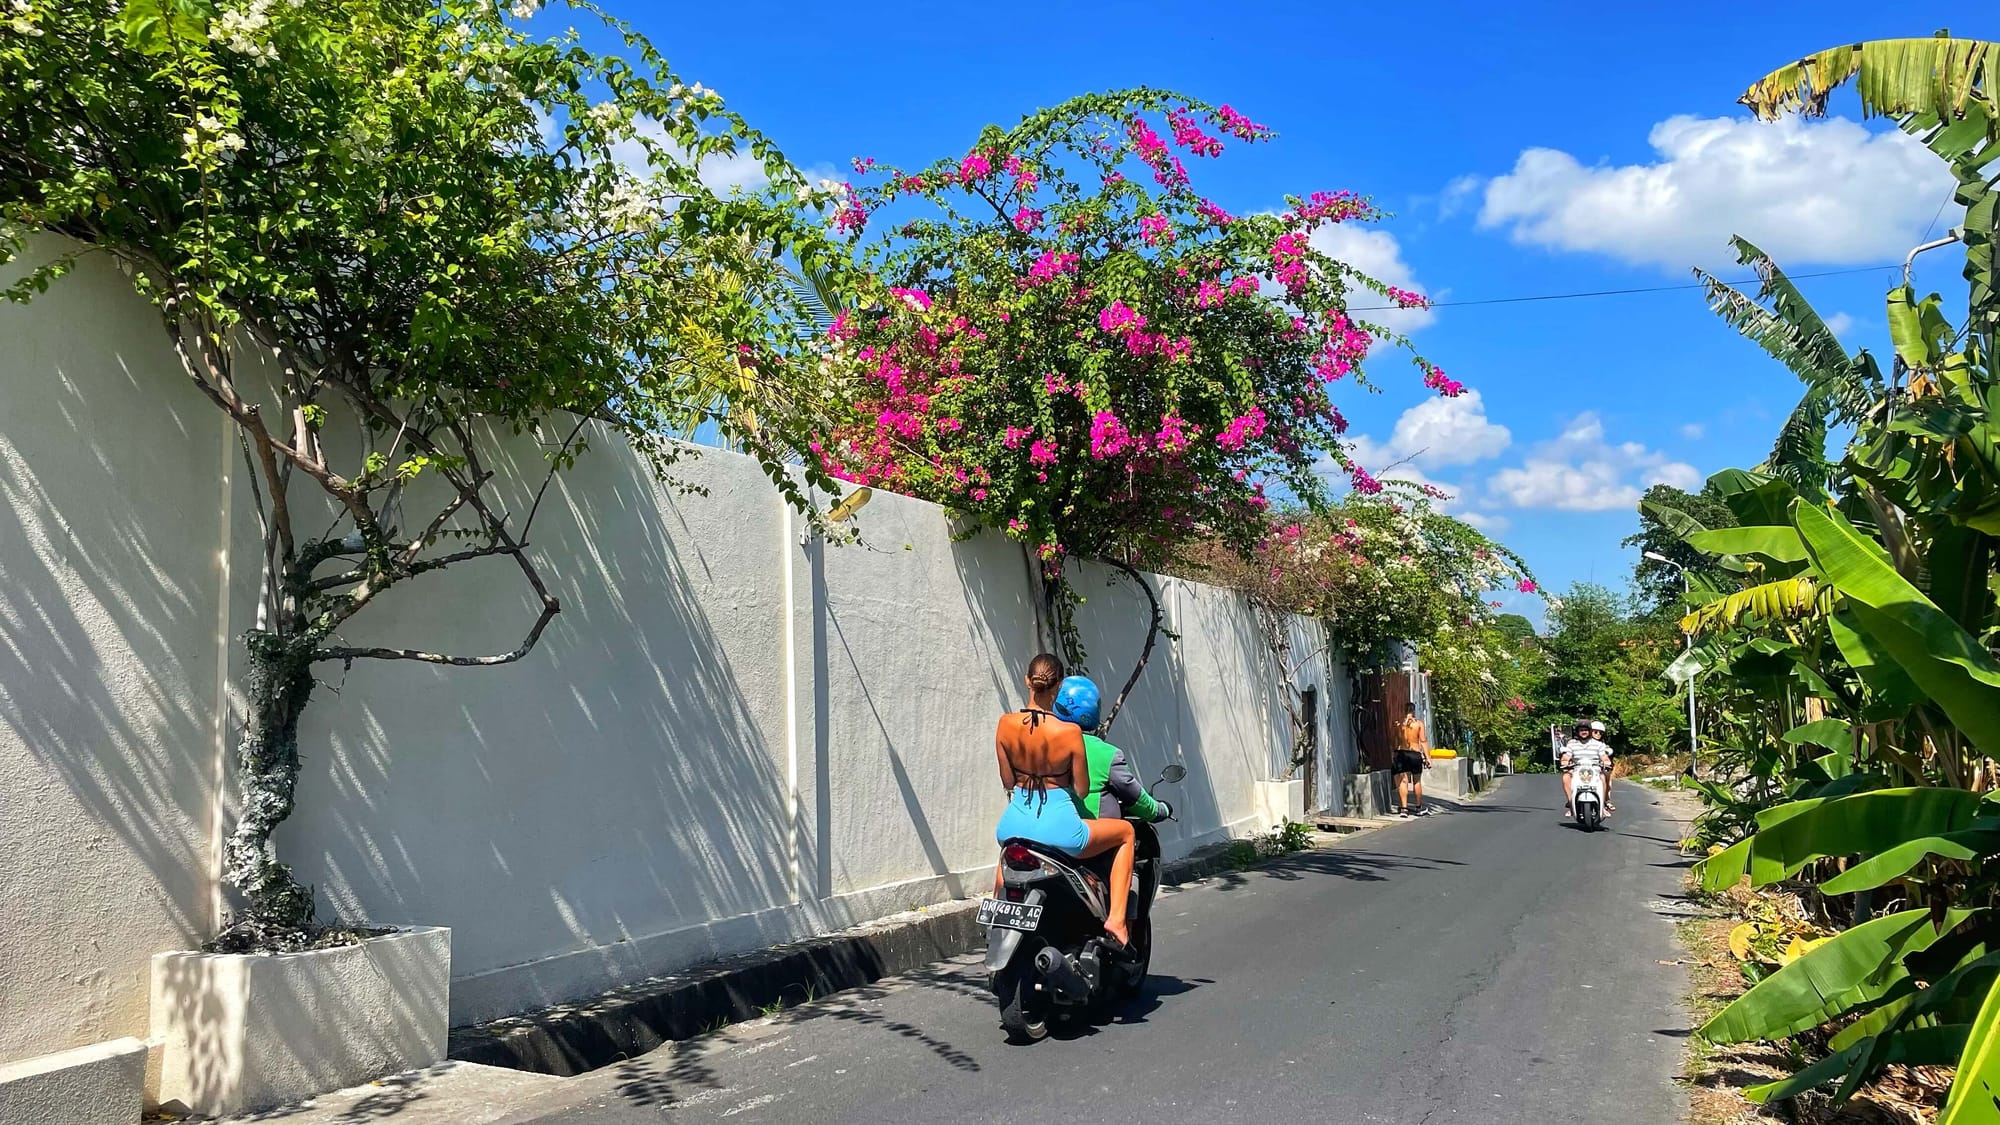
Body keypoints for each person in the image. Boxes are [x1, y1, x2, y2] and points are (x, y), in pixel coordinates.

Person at [993, 653, 1137, 947]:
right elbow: (1082, 790)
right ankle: (1118, 920)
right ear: (1058, 688)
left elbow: (1008, 782)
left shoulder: (1004, 724)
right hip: (1060, 829)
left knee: (1008, 852)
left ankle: (998, 912)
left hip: (1013, 823)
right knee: (1126, 833)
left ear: (1027, 681)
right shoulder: (1070, 733)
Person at [1050, 675, 1173, 824]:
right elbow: (1132, 795)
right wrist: (1160, 810)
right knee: (1126, 834)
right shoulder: (1106, 754)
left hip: (1041, 831)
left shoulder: (1040, 743)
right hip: (1091, 838)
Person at [1393, 701, 1434, 817]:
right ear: (1413, 711)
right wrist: (1428, 758)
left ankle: (1404, 809)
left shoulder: (1399, 724)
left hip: (1401, 753)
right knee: (1416, 781)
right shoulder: (1419, 724)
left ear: (1404, 711)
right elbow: (1423, 741)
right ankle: (1418, 807)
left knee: (1403, 781)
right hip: (1415, 754)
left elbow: (1395, 740)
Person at [1558, 720, 1591, 817]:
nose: (1584, 732)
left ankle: (1604, 804)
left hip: (1594, 771)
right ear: (1577, 732)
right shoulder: (1572, 744)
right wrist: (1565, 762)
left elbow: (1604, 757)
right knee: (1566, 777)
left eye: (1586, 730)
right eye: (1581, 730)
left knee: (1603, 777)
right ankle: (1572, 804)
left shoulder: (1597, 744)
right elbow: (1566, 757)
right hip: (1577, 770)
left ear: (1589, 731)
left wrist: (1606, 762)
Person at [1590, 720, 1616, 814]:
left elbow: (1607, 755)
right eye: (1595, 731)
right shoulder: (1582, 743)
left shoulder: (1603, 745)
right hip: (1585, 768)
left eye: (1600, 733)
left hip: (1598, 768)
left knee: (1606, 778)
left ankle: (1606, 800)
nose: (1598, 734)